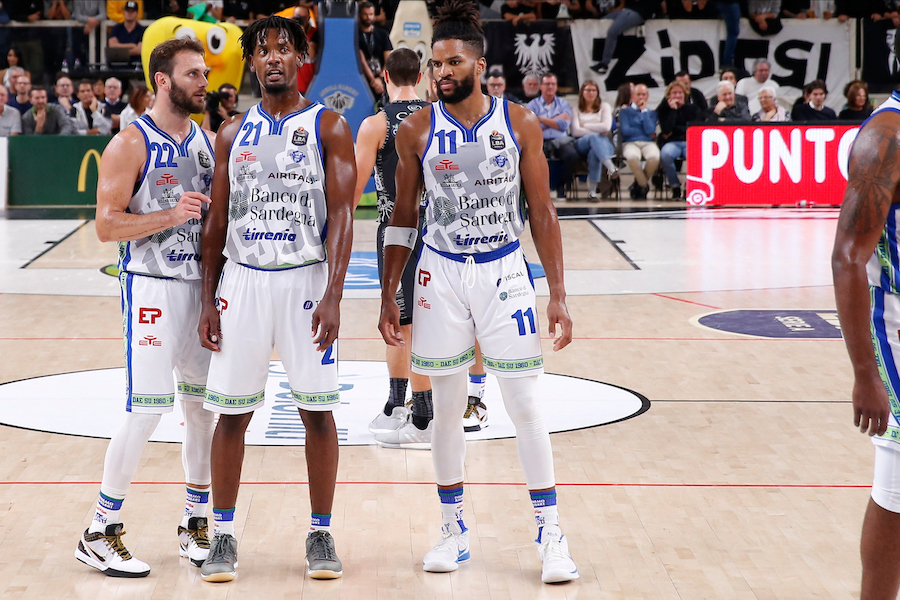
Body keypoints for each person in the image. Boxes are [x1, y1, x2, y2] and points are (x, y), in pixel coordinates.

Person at [379, 0, 577, 584]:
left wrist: (558, 293)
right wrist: (389, 292)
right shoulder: (416, 129)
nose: (442, 72)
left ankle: (551, 534)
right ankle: (452, 529)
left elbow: (542, 210)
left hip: (504, 271)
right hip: (439, 274)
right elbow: (402, 216)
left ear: (480, 64)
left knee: (525, 405)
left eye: (453, 62)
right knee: (444, 410)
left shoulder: (519, 123)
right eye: (436, 64)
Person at [197, 15, 355, 583]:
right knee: (231, 414)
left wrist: (334, 293)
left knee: (317, 411)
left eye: (283, 49)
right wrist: (208, 299)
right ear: (251, 63)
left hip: (306, 281)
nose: (272, 58)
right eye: (262, 50)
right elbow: (216, 222)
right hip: (242, 281)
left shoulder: (328, 125)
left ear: (300, 58)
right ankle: (222, 534)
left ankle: (320, 531)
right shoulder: (231, 133)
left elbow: (344, 215)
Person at [74, 37, 216, 579]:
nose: (204, 82)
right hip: (152, 287)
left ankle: (195, 523)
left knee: (202, 410)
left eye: (205, 73)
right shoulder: (129, 143)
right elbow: (106, 224)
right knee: (147, 409)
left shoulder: (206, 141)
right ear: (163, 79)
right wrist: (170, 215)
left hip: (199, 291)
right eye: (193, 73)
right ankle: (99, 529)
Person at [831, 77, 900, 600]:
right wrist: (864, 375)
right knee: (897, 484)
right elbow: (848, 257)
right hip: (895, 328)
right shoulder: (885, 138)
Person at [527, 72, 580, 198]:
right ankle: (541, 188)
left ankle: (561, 186)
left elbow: (564, 125)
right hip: (540, 140)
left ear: (556, 86)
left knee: (572, 155)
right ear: (541, 86)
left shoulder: (564, 104)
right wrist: (556, 120)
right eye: (547, 84)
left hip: (561, 140)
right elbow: (532, 127)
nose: (550, 87)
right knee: (532, 157)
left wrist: (541, 119)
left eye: (553, 84)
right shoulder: (532, 105)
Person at [571, 79, 617, 199]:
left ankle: (592, 192)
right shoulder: (576, 109)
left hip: (603, 143)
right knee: (593, 137)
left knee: (594, 153)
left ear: (597, 93)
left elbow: (606, 127)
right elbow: (575, 131)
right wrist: (597, 129)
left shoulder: (605, 107)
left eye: (593, 90)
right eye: (588, 90)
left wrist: (585, 125)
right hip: (582, 143)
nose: (591, 93)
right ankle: (610, 167)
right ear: (582, 92)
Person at [656, 80, 699, 200]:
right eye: (674, 93)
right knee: (665, 155)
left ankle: (688, 186)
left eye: (680, 93)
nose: (677, 95)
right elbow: (666, 130)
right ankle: (675, 185)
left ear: (685, 94)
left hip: (689, 141)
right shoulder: (664, 110)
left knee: (695, 157)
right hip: (672, 142)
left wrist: (675, 129)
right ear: (669, 95)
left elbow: (692, 128)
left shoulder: (692, 109)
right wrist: (673, 111)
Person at [596, 0, 660, 74]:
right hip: (626, 10)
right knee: (600, 23)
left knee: (612, 32)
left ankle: (604, 64)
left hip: (637, 12)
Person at [619, 83, 658, 199]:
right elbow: (625, 131)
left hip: (648, 143)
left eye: (643, 94)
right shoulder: (624, 112)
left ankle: (638, 185)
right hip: (630, 143)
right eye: (638, 94)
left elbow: (650, 130)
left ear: (647, 96)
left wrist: (644, 112)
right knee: (632, 157)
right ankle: (643, 185)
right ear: (632, 96)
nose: (641, 97)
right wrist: (643, 130)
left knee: (654, 157)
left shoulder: (651, 113)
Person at [359, 0, 393, 99]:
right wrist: (373, 80)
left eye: (371, 14)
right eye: (365, 14)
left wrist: (380, 79)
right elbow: (362, 61)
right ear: (360, 15)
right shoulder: (356, 35)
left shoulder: (383, 34)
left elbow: (388, 59)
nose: (368, 17)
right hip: (363, 79)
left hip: (382, 78)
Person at [108, 1, 145, 67]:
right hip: (117, 65)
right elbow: (112, 46)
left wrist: (120, 52)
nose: (129, 13)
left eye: (132, 11)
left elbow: (139, 50)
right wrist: (132, 45)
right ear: (124, 12)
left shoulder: (141, 30)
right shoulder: (117, 28)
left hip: (135, 65)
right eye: (127, 11)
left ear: (137, 13)